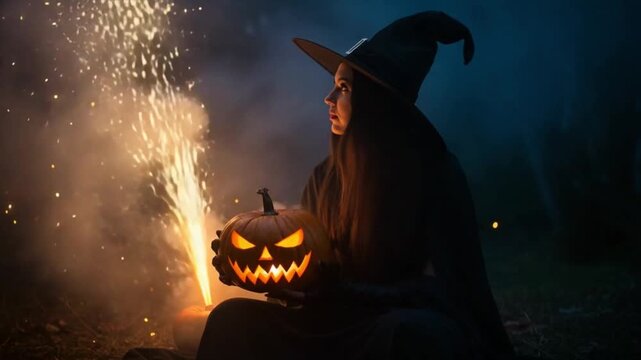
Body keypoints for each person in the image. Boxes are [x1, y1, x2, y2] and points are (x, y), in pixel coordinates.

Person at [199, 10, 515, 360]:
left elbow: (445, 289)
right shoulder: (326, 177)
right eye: (334, 85)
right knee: (231, 319)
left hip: (386, 327)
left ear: (374, 101)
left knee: (413, 335)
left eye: (344, 87)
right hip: (330, 326)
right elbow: (311, 269)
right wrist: (258, 271)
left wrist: (342, 290)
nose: (329, 98)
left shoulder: (433, 173)